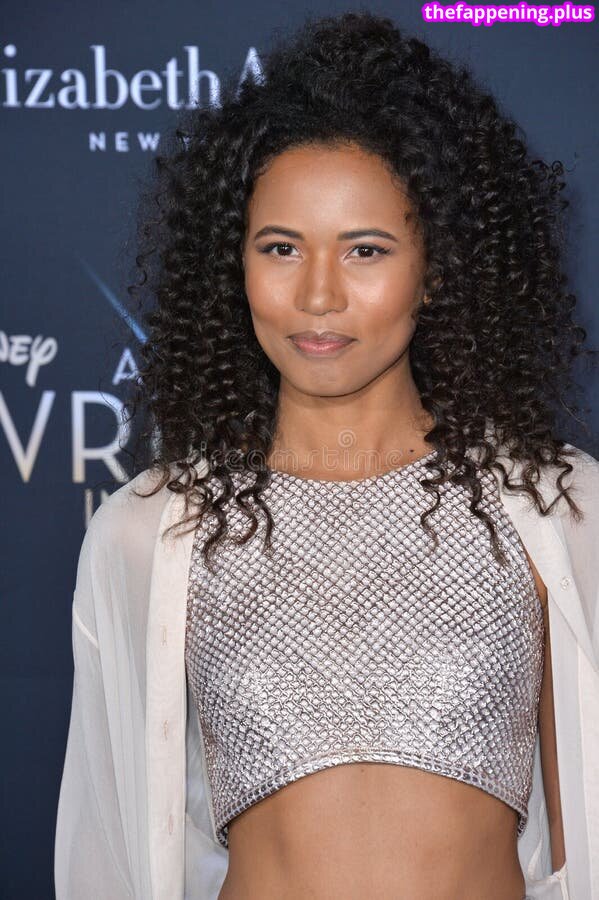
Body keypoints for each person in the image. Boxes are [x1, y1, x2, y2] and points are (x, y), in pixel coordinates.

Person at [54, 11, 599, 900]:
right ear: (234, 264)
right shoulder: (151, 532)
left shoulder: (557, 510)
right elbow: (107, 857)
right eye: (280, 248)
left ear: (435, 267)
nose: (316, 295)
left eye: (365, 251)